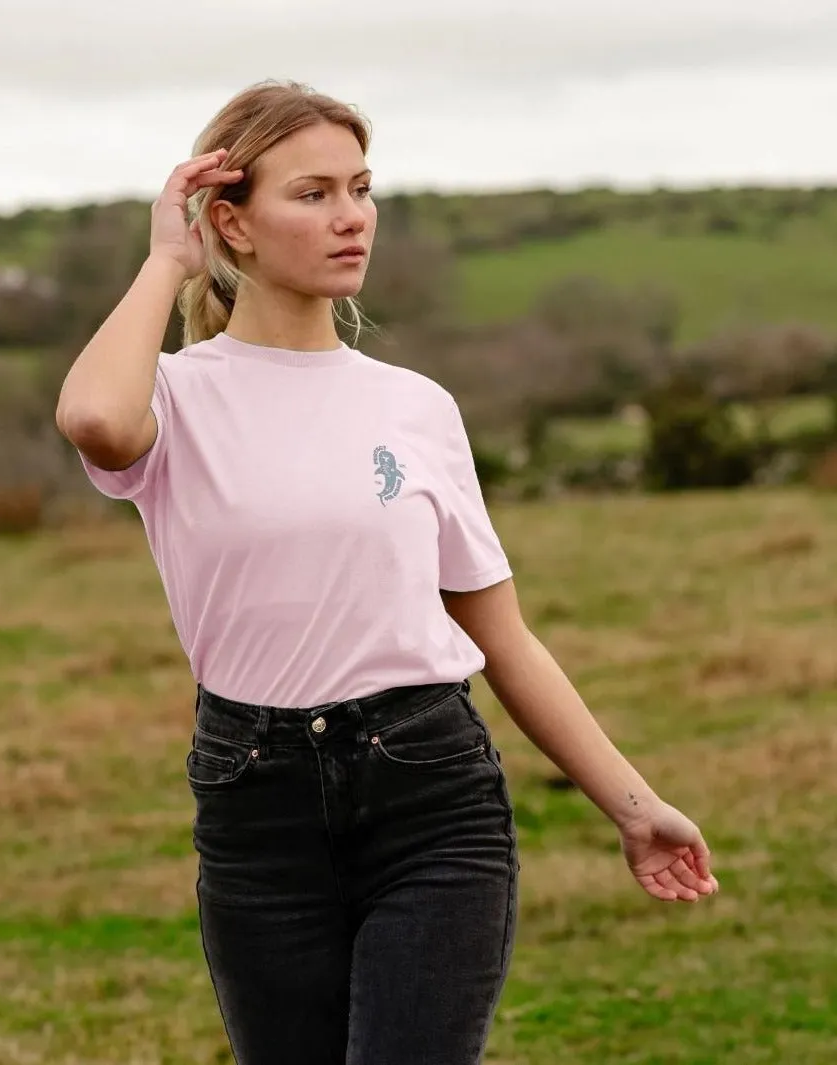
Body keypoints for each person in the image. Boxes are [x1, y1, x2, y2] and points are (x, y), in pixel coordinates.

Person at [55, 79, 719, 1065]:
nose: (352, 218)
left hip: (429, 790)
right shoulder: (175, 400)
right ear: (230, 223)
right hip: (255, 802)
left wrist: (635, 806)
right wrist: (163, 258)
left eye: (362, 189)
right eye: (313, 193)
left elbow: (502, 636)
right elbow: (95, 423)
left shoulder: (417, 409)